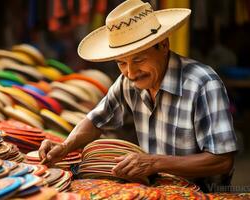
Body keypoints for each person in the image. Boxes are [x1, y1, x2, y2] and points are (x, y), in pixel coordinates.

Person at [38, 0, 238, 192]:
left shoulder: (203, 83)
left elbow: (221, 160)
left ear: (163, 45)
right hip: (156, 189)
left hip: (205, 193)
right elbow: (96, 120)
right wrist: (65, 147)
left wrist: (155, 162)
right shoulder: (129, 81)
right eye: (121, 63)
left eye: (139, 59)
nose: (131, 73)